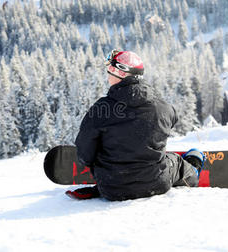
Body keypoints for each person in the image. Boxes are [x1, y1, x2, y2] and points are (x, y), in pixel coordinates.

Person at [72, 50, 205, 201]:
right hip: (156, 183)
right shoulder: (161, 106)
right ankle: (193, 169)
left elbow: (84, 154)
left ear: (121, 73)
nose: (108, 75)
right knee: (177, 163)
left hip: (111, 188)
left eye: (110, 71)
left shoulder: (101, 109)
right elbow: (173, 119)